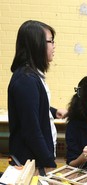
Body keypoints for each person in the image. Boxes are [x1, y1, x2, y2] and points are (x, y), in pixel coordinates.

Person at [8, 20, 66, 168]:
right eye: (50, 41)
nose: (54, 46)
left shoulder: (32, 75)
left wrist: (53, 111)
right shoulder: (26, 80)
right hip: (30, 161)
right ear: (36, 44)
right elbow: (31, 130)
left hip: (36, 158)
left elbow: (34, 106)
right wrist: (49, 163)